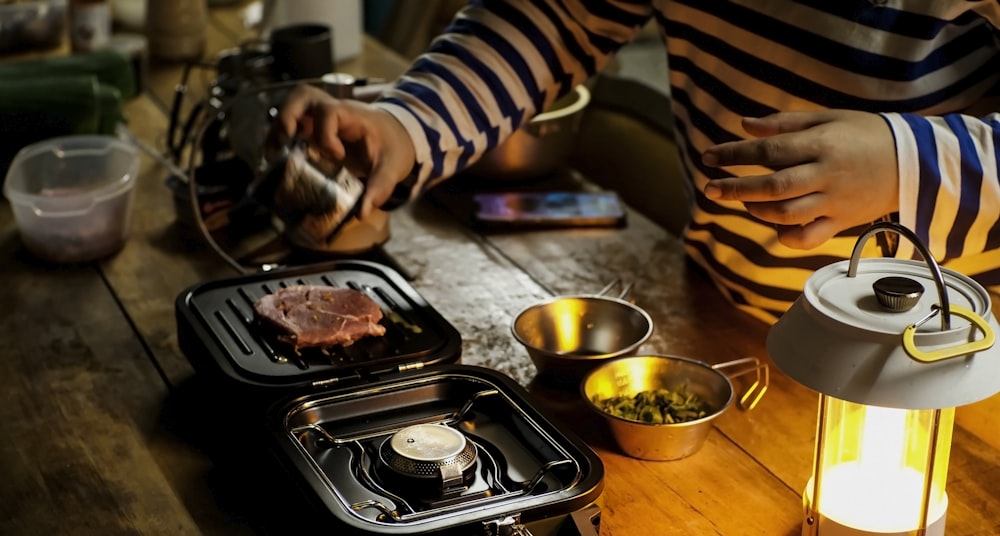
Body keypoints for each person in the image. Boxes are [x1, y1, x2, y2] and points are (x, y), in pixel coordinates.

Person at [272, 1, 1000, 324]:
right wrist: (411, 120)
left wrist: (909, 166)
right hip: (733, 318)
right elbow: (555, 17)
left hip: (943, 365)